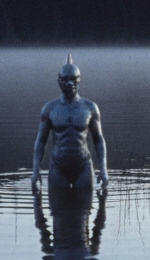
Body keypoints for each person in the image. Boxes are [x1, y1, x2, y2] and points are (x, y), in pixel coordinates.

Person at [31, 54, 109, 195]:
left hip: (83, 166)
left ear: (79, 81)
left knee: (84, 214)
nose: (69, 84)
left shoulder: (90, 108)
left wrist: (103, 169)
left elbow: (98, 140)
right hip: (58, 167)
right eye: (65, 80)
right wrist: (35, 170)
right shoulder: (50, 109)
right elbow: (41, 141)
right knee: (57, 214)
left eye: (73, 80)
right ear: (58, 81)